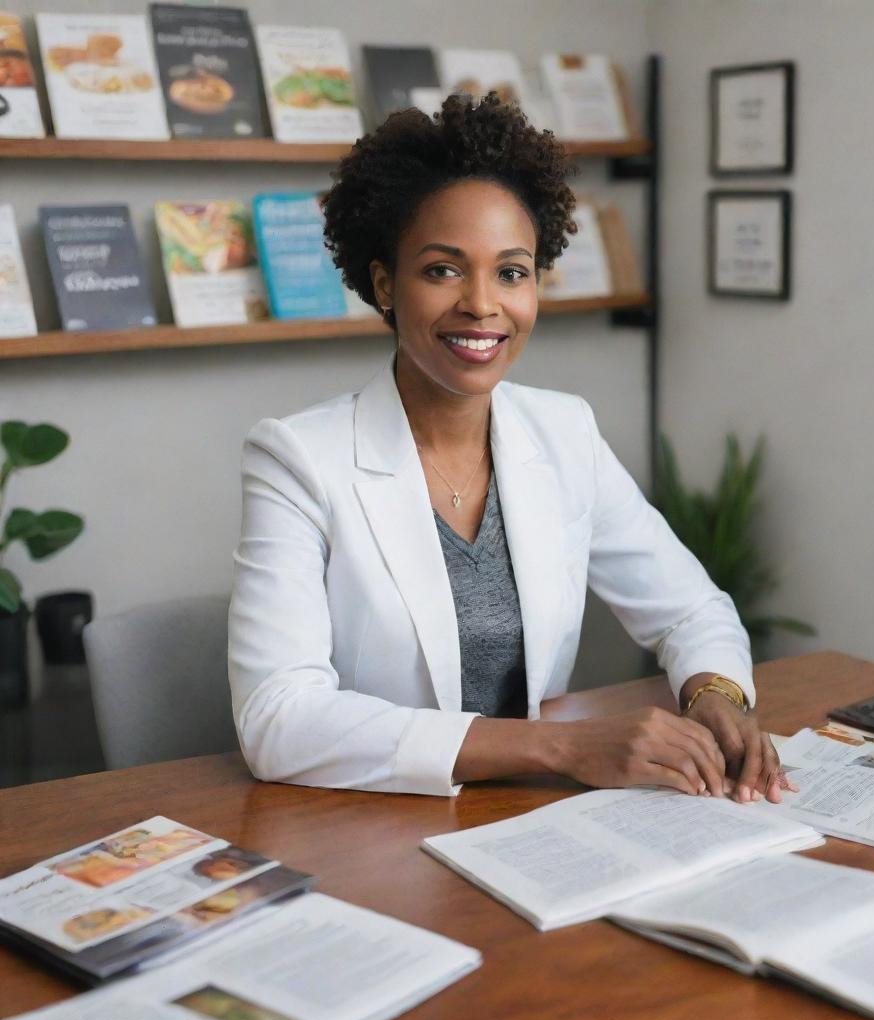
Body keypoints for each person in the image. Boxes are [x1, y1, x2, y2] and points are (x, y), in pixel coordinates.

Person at [228, 94, 795, 803]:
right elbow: (279, 720)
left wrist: (716, 695)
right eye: (442, 270)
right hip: (371, 827)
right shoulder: (296, 459)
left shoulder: (564, 433)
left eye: (511, 271)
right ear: (384, 283)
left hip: (528, 818)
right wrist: (561, 747)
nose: (482, 304)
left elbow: (690, 610)